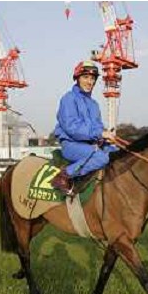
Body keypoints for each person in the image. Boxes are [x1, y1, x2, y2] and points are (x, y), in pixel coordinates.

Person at [50, 60, 117, 195]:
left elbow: (98, 128)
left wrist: (105, 138)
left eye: (92, 78)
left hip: (90, 144)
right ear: (77, 78)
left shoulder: (94, 105)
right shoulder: (68, 99)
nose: (89, 81)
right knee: (101, 158)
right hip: (71, 145)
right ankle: (63, 176)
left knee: (117, 154)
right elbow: (71, 128)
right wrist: (100, 133)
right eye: (85, 77)